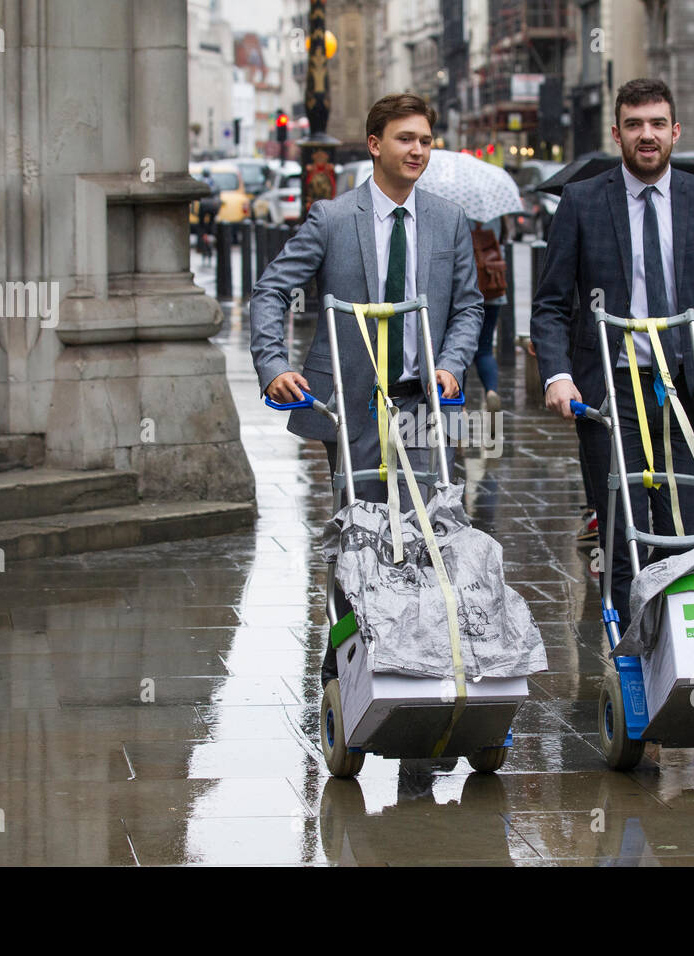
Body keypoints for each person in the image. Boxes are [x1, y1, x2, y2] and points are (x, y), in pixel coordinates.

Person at [249, 92, 484, 682]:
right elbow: (270, 290)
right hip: (350, 402)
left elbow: (469, 307)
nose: (418, 151)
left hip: (422, 401)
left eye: (426, 140)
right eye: (406, 139)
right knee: (359, 536)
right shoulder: (332, 219)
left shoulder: (449, 220)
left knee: (430, 531)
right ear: (376, 145)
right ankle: (347, 669)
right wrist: (274, 365)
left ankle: (426, 662)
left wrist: (453, 364)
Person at [530, 78, 694, 626]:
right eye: (634, 125)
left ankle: (677, 656)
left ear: (674, 132)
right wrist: (557, 375)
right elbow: (551, 303)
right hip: (609, 391)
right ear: (617, 133)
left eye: (656, 124)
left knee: (681, 534)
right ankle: (632, 671)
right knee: (622, 535)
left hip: (683, 389)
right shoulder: (582, 202)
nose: (645, 136)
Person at [470, 217, 508, 413]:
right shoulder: (496, 214)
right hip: (492, 289)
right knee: (484, 348)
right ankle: (491, 392)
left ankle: (460, 407)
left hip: (466, 293)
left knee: (459, 350)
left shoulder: (455, 209)